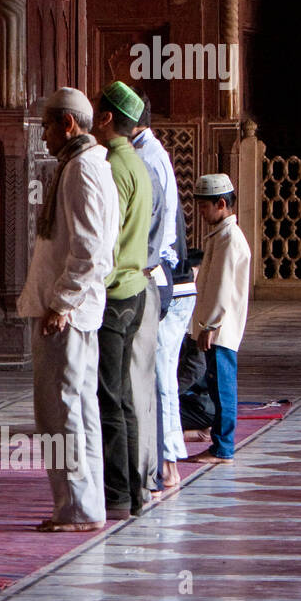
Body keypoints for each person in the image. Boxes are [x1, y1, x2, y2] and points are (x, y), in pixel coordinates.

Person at [17, 88, 118, 532]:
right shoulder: (84, 165)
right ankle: (83, 505)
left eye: (47, 126)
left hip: (68, 315)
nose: (44, 135)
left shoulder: (81, 170)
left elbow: (91, 249)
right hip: (73, 310)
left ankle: (77, 509)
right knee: (77, 409)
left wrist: (61, 302)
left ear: (68, 124)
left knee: (62, 411)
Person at [91, 81, 152, 519]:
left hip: (114, 297)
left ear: (108, 118)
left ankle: (117, 494)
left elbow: (106, 241)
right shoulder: (139, 163)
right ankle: (135, 491)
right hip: (137, 292)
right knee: (124, 397)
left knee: (109, 399)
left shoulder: (113, 167)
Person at [130, 97, 191, 492]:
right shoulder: (148, 153)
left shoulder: (147, 157)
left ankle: (166, 462)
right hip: (158, 272)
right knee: (153, 371)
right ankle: (160, 461)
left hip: (157, 274)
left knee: (157, 372)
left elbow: (160, 234)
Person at [185, 174, 251, 464]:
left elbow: (223, 287)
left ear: (221, 204)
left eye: (203, 207)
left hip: (220, 329)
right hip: (214, 326)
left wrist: (211, 325)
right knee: (215, 385)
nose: (200, 212)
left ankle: (223, 448)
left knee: (223, 389)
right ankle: (219, 444)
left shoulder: (229, 239)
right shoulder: (220, 235)